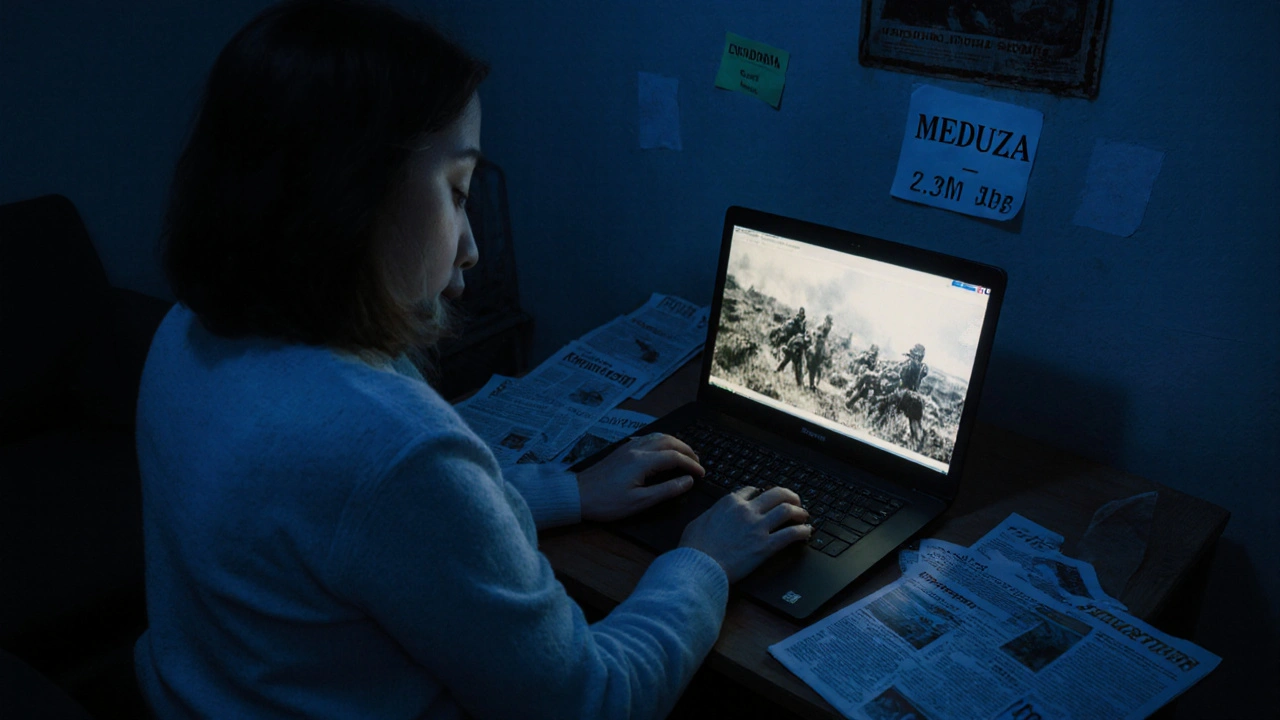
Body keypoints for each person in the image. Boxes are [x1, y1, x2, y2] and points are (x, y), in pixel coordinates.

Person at [134, 2, 810, 718]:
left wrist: (573, 491)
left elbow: (378, 529)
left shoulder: (185, 332)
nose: (472, 246)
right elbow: (594, 699)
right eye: (457, 192)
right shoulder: (392, 448)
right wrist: (703, 561)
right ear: (353, 195)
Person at [806, 314, 833, 390]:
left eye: (829, 321)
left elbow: (824, 334)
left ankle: (821, 361)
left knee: (823, 351)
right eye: (827, 320)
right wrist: (816, 333)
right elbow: (816, 330)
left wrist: (821, 336)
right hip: (817, 339)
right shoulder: (822, 324)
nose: (828, 322)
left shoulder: (828, 326)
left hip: (822, 341)